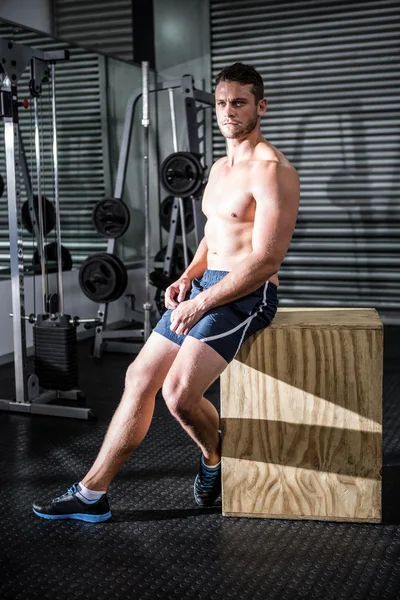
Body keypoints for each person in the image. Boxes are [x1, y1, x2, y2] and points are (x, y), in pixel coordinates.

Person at [33, 62, 300, 523]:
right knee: (139, 378)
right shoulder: (219, 168)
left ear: (261, 107)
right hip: (205, 284)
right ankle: (92, 495)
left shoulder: (272, 170)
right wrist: (187, 277)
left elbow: (266, 260)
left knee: (178, 395)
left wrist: (203, 301)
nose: (227, 112)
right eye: (221, 103)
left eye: (238, 102)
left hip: (246, 293)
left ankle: (215, 459)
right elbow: (215, 237)